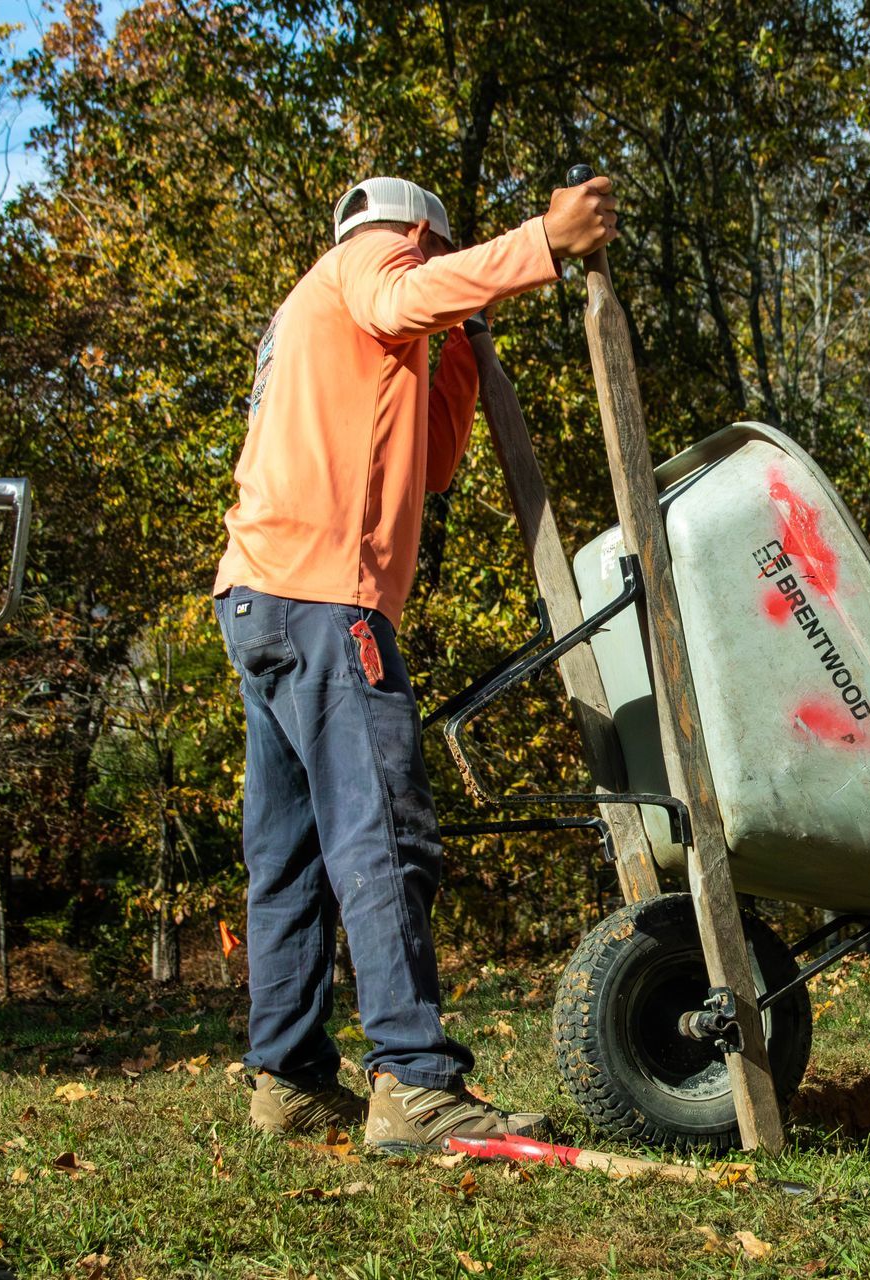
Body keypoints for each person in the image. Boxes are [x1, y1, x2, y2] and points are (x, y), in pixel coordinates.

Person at [211, 172, 617, 1150]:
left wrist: (468, 346)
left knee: (292, 855)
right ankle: (414, 1079)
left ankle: (292, 1075)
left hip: (259, 599)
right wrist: (542, 246)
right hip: (324, 602)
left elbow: (430, 461)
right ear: (416, 236)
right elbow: (404, 294)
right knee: (383, 834)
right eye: (437, 256)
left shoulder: (323, 324)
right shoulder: (368, 267)